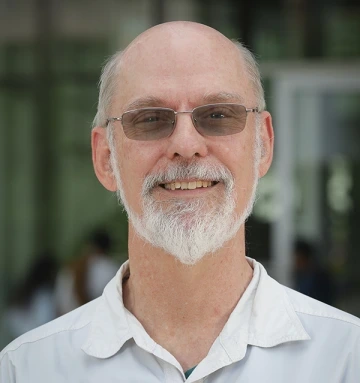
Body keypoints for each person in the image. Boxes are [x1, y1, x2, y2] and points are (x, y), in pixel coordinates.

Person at [1, 21, 359, 382]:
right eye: (151, 119)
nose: (186, 145)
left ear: (263, 146)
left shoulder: (347, 359)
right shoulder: (25, 369)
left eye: (217, 115)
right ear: (105, 158)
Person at [54, 228, 119, 315]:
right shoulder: (109, 268)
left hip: (66, 320)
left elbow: (58, 305)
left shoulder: (68, 268)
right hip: (93, 319)